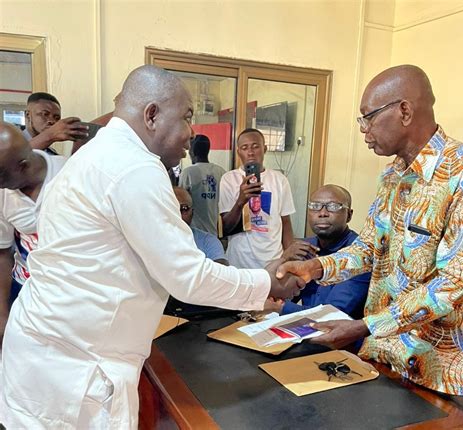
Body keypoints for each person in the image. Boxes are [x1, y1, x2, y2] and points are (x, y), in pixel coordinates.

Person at [0, 65, 305, 429]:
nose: (192, 133)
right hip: (72, 371)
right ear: (151, 115)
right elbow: (187, 276)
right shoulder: (134, 167)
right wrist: (266, 283)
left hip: (49, 355)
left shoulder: (92, 156)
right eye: (187, 117)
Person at [277, 65, 463, 396]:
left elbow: (453, 284)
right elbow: (369, 247)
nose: (364, 130)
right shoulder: (392, 176)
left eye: (368, 118)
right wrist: (319, 266)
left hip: (439, 375)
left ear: (405, 111)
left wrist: (364, 326)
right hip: (382, 357)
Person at [0, 122, 66, 344]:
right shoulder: (3, 195)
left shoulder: (70, 174)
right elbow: (3, 253)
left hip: (68, 292)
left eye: (1, 176)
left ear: (23, 165)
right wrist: (2, 313)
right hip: (25, 288)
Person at [267, 185, 370, 320]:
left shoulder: (360, 254)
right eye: (315, 206)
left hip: (340, 337)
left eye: (333, 207)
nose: (322, 213)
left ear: (349, 215)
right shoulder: (303, 248)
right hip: (302, 330)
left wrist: (278, 308)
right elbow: (280, 295)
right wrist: (284, 258)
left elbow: (333, 315)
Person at [219, 128, 296, 269]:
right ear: (238, 152)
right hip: (239, 262)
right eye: (244, 148)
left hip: (272, 261)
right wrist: (241, 201)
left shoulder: (280, 180)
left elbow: (286, 223)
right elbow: (226, 228)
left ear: (265, 149)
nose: (250, 152)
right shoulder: (229, 179)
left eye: (255, 146)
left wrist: (288, 259)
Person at [179, 134, 226, 235]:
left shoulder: (188, 173)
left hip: (193, 233)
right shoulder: (221, 172)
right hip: (215, 233)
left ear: (192, 152)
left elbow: (180, 203)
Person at [173, 186, 227, 265]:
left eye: (184, 208)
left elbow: (221, 272)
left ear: (192, 212)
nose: (178, 213)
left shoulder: (208, 241)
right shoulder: (152, 241)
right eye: (173, 208)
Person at [23, 92, 89, 152]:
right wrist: (50, 135)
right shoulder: (14, 141)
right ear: (28, 115)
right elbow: (17, 156)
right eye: (45, 114)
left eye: (57, 118)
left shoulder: (51, 152)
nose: (52, 121)